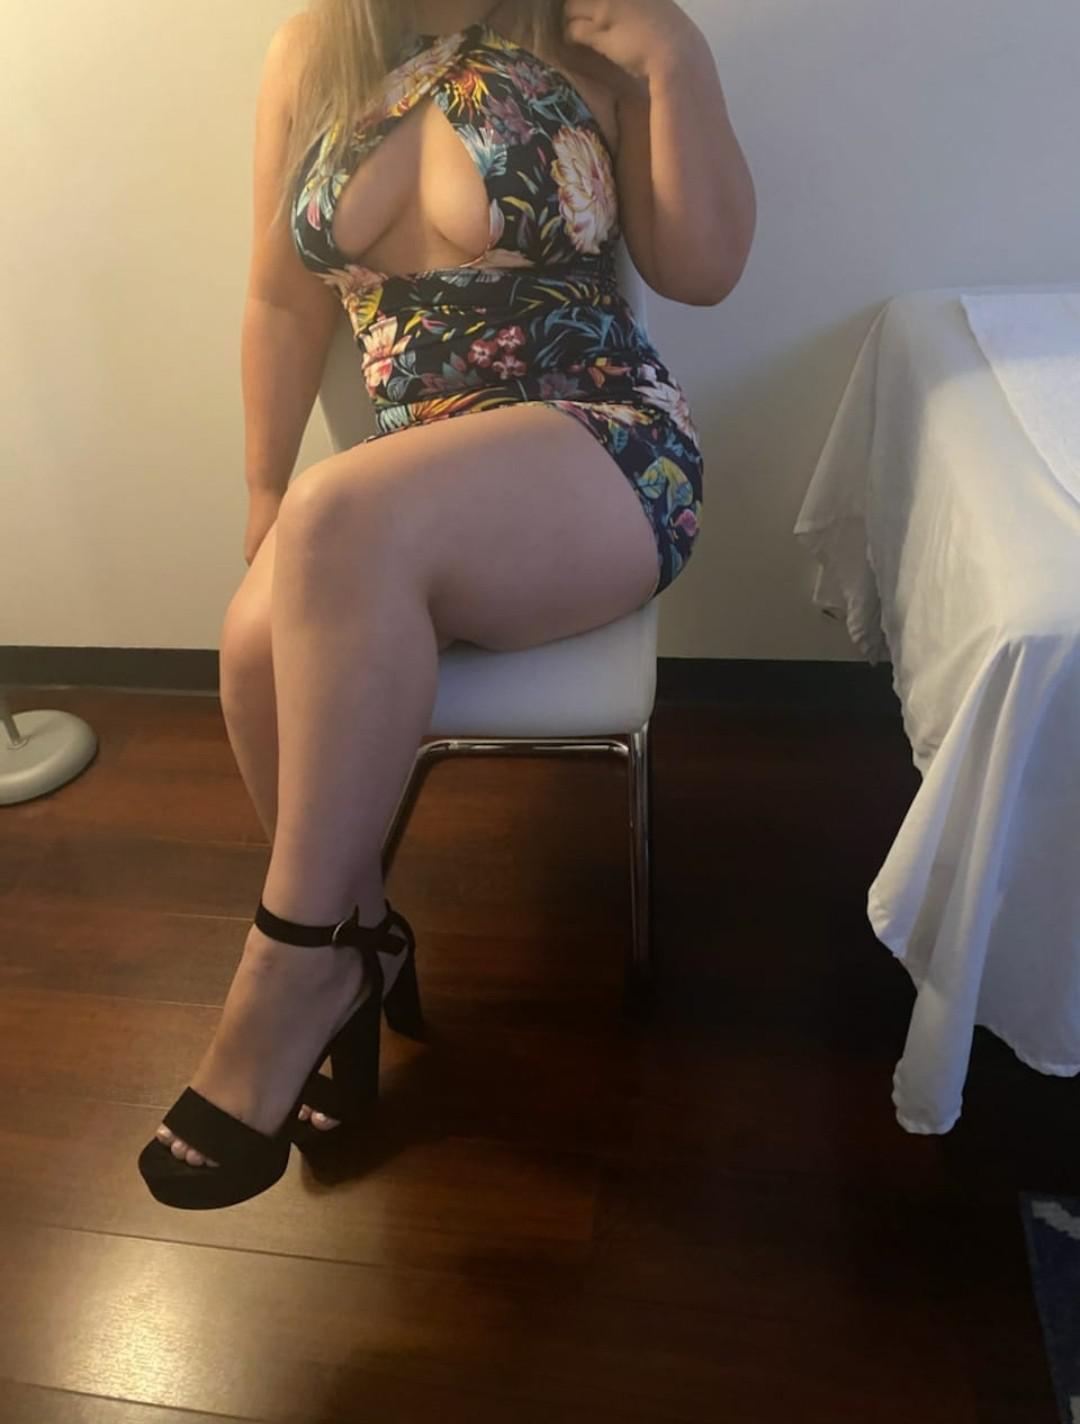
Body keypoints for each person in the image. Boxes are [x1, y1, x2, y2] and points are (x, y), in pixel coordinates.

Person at [138, 0, 755, 1209]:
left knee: (338, 513)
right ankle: (358, 935)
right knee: (252, 644)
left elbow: (705, 269)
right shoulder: (314, 49)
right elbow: (281, 299)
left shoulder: (596, 28)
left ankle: (290, 968)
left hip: (598, 444)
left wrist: (676, 61)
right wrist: (264, 490)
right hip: (405, 485)